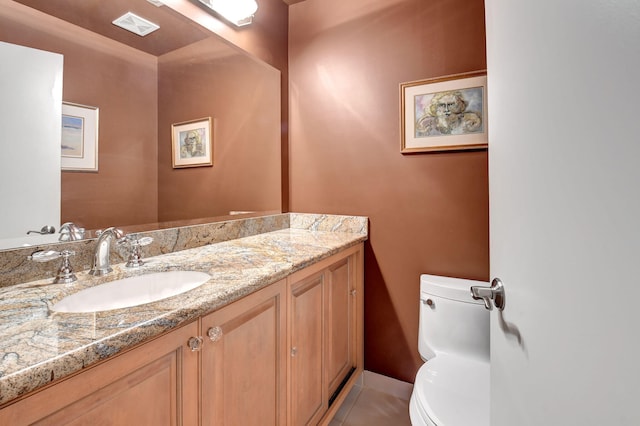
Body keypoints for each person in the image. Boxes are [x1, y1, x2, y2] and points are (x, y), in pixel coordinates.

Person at [416, 90, 482, 136]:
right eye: (442, 105)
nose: (446, 109)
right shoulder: (426, 125)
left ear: (459, 105)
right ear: (435, 107)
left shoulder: (470, 122)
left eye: (451, 105)